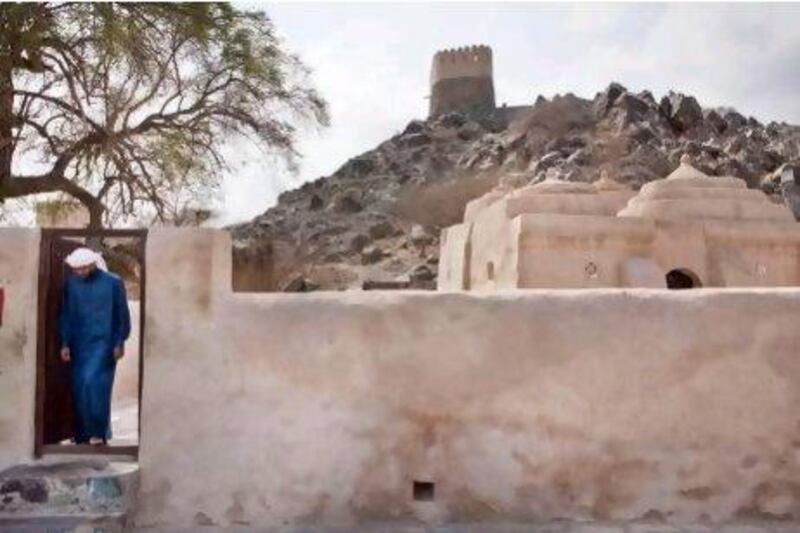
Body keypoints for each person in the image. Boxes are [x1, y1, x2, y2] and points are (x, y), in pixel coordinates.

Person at [58, 247, 131, 445]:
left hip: (104, 344)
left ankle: (98, 432)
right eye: (76, 269)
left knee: (96, 386)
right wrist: (65, 342)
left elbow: (122, 315)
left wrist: (119, 341)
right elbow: (66, 314)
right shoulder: (71, 284)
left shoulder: (113, 282)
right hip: (79, 344)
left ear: (92, 264)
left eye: (83, 268)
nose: (80, 272)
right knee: (80, 386)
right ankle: (82, 433)